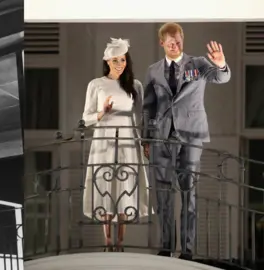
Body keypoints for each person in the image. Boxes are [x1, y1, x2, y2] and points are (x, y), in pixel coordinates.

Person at [141, 23, 231, 260]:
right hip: (161, 136)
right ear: (162, 43)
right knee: (162, 193)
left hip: (190, 136)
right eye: (170, 42)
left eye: (178, 41)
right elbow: (148, 107)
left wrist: (221, 64)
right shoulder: (153, 71)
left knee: (188, 193)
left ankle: (188, 250)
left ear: (183, 39)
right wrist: (146, 138)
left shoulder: (199, 64)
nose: (175, 46)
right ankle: (165, 245)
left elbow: (221, 77)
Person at [82, 38, 152, 252]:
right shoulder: (96, 84)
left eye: (123, 60)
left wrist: (145, 141)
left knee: (126, 183)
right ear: (108, 61)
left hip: (128, 137)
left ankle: (120, 243)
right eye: (115, 60)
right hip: (103, 137)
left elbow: (143, 116)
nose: (120, 64)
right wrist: (102, 111)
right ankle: (107, 242)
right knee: (103, 183)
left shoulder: (135, 85)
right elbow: (86, 118)